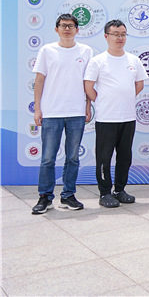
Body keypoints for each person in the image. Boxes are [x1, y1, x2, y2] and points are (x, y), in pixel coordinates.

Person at [31, 14, 93, 214]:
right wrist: (38, 108)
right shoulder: (47, 50)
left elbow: (88, 81)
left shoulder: (86, 51)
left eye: (71, 26)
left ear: (77, 29)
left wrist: (88, 106)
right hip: (52, 112)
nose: (67, 29)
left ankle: (68, 195)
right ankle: (45, 197)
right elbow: (39, 81)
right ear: (56, 29)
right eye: (63, 25)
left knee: (73, 157)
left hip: (76, 112)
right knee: (48, 158)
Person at [84, 19, 147, 208]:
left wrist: (124, 97)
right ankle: (104, 193)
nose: (120, 38)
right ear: (106, 36)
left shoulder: (133, 60)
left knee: (125, 157)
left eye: (123, 34)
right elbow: (88, 86)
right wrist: (103, 100)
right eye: (116, 34)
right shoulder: (98, 61)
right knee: (104, 157)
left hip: (128, 117)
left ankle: (120, 190)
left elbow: (139, 84)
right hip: (106, 118)